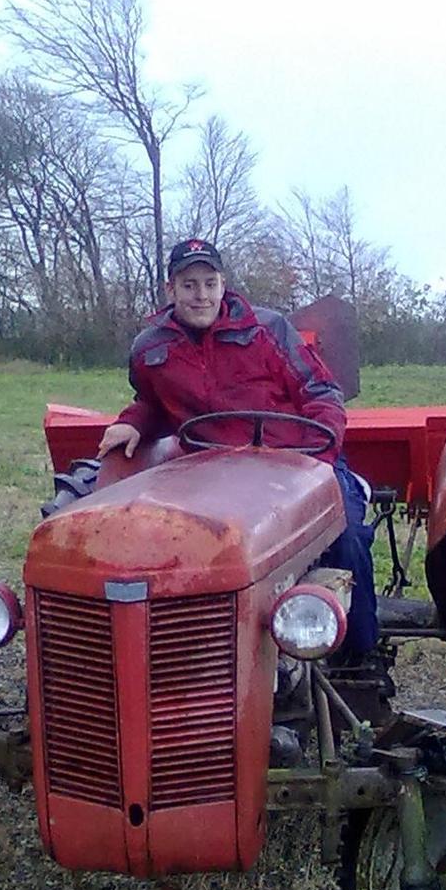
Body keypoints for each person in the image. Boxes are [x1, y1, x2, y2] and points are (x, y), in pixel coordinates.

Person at [98, 239, 378, 658]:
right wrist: (131, 423)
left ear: (223, 284)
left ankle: (359, 656)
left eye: (209, 283)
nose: (201, 295)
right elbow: (153, 404)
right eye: (189, 285)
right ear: (170, 289)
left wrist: (316, 465)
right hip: (211, 471)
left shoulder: (267, 329)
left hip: (295, 462)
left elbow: (321, 391)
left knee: (347, 535)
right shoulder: (150, 349)